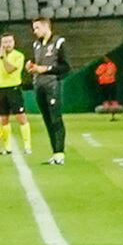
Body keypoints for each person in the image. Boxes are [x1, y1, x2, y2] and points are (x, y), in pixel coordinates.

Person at [28, 16, 71, 165]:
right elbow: (38, 66)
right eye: (34, 28)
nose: (35, 31)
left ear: (47, 26)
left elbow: (66, 67)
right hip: (38, 85)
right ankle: (55, 152)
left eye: (37, 28)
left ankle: (60, 152)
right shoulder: (36, 45)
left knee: (55, 118)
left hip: (52, 85)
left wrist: (46, 69)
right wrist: (32, 67)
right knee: (47, 120)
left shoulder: (59, 42)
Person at [0, 34, 31, 156]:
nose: (7, 44)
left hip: (14, 89)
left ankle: (27, 146)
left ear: (14, 42)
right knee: (3, 119)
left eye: (9, 42)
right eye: (4, 42)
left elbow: (9, 69)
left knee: (21, 117)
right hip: (1, 90)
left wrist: (3, 58)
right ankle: (7, 147)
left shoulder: (18, 56)